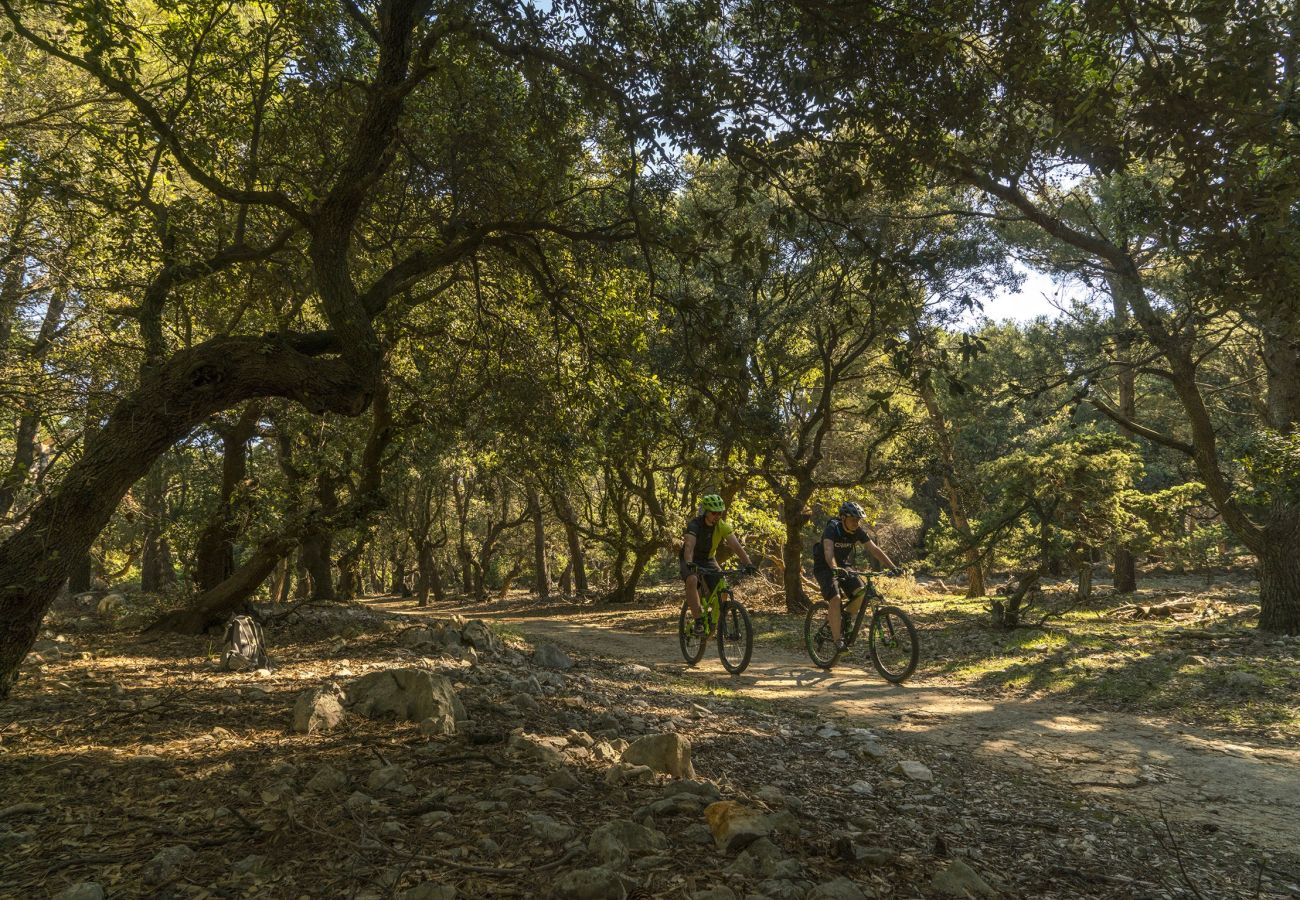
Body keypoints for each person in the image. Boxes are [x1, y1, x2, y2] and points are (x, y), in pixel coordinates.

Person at [812, 501, 899, 649]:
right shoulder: (832, 528)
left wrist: (893, 567)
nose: (856, 523)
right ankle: (838, 640)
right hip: (825, 567)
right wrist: (834, 567)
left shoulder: (858, 531)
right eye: (853, 519)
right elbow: (828, 551)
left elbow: (874, 549)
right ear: (843, 518)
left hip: (844, 566)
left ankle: (844, 618)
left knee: (861, 593)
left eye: (858, 520)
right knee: (835, 598)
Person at [681, 494, 755, 634]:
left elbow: (736, 546)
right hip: (690, 559)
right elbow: (689, 546)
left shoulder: (721, 526)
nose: (717, 516)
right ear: (706, 512)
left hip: (708, 559)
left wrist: (748, 564)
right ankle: (698, 622)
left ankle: (715, 621)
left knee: (723, 586)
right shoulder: (695, 525)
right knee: (692, 579)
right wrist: (689, 563)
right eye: (714, 513)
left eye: (719, 513)